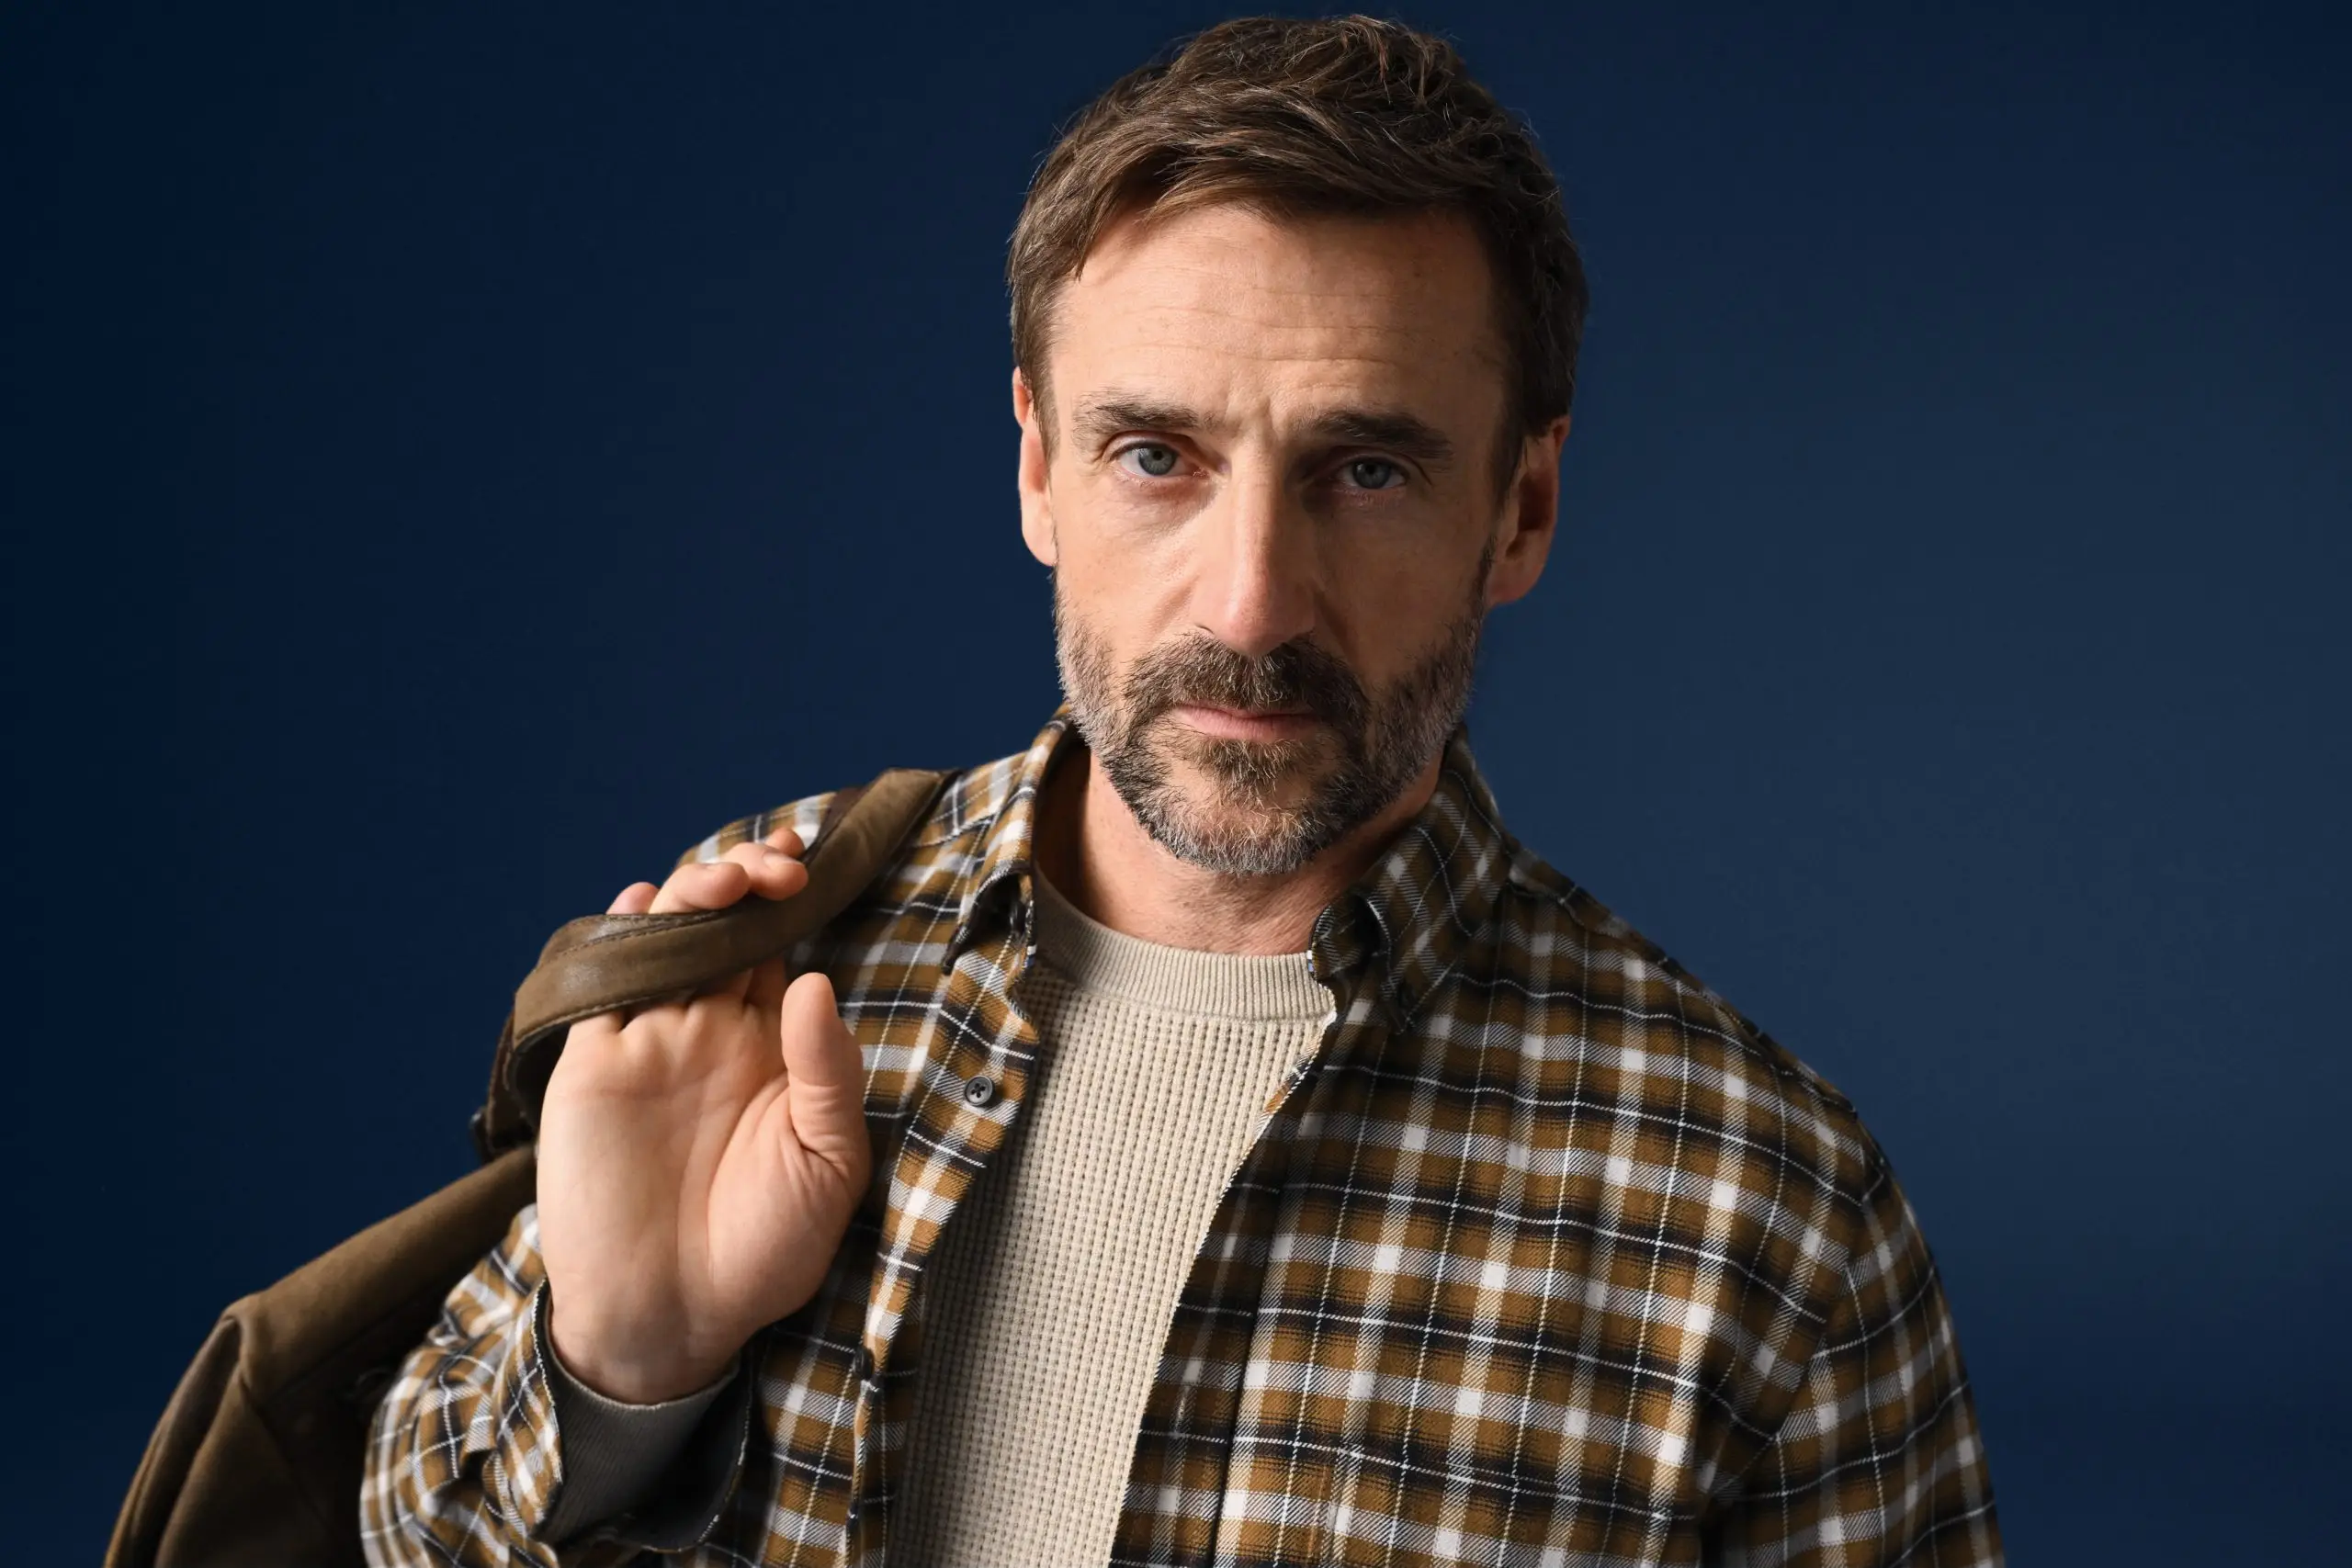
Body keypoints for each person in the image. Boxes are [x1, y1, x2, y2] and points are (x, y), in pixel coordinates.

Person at [360, 15, 2002, 1566]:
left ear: (1523, 509)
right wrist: (625, 1371)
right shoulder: (768, 957)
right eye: (1158, 457)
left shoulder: (1762, 1211)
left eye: (1367, 469)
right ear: (1037, 469)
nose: (1251, 603)